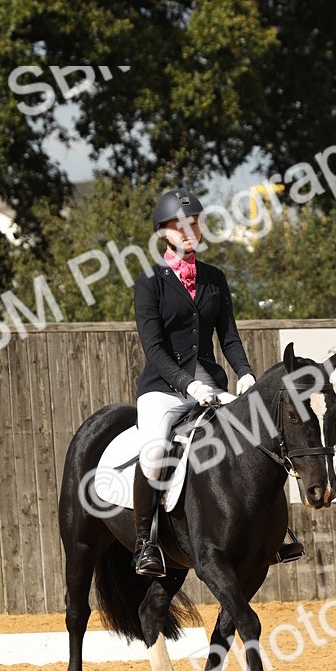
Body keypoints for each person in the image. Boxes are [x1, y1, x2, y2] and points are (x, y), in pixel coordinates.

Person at [131, 186, 303, 576]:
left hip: (211, 380)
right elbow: (153, 346)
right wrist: (186, 385)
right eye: (182, 225)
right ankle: (145, 543)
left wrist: (245, 374)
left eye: (196, 223)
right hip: (162, 386)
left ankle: (277, 535)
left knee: (261, 436)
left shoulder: (214, 278)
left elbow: (229, 336)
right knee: (156, 451)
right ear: (163, 233)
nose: (191, 230)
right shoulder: (149, 280)